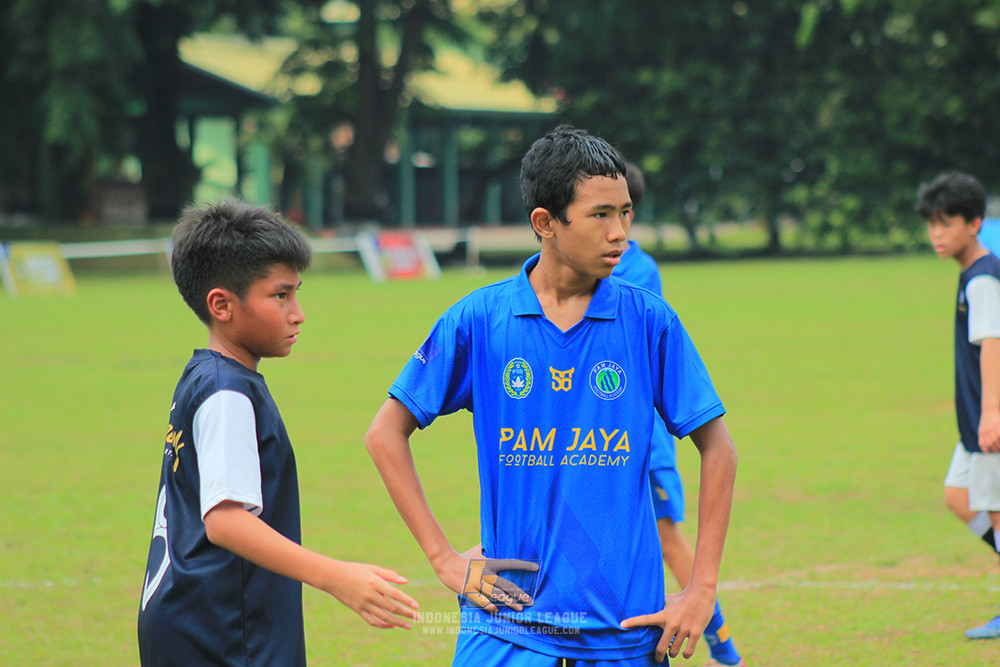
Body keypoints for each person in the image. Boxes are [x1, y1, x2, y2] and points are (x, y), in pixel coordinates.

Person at [365, 126, 738, 665]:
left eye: (625, 212)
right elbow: (384, 433)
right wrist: (442, 558)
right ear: (545, 223)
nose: (621, 234)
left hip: (623, 635)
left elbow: (719, 448)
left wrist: (701, 589)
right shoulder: (480, 320)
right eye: (600, 215)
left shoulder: (648, 319)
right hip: (503, 632)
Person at [137, 199, 419, 666]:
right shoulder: (227, 392)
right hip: (223, 633)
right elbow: (225, 520)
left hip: (190, 619)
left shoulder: (205, 373)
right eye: (281, 295)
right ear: (222, 305)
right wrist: (335, 577)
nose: (298, 313)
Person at [616, 163, 745, 667]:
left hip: (642, 442)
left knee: (670, 542)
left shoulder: (638, 271)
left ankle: (724, 645)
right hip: (592, 443)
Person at [917, 171, 1000, 640]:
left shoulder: (984, 278)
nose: (936, 233)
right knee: (957, 495)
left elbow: (993, 343)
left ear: (974, 223)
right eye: (931, 224)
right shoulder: (973, 274)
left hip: (987, 418)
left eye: (946, 223)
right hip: (974, 420)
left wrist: (992, 413)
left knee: (997, 511)